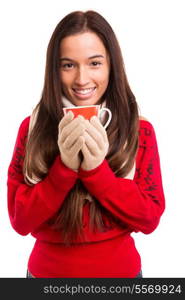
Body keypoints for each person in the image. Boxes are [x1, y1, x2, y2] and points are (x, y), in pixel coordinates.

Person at [7, 10, 165, 278]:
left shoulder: (139, 130)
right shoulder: (31, 128)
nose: (82, 79)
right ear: (54, 69)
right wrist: (64, 169)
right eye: (68, 65)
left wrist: (95, 172)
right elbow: (20, 221)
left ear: (111, 65)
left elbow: (149, 219)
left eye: (94, 63)